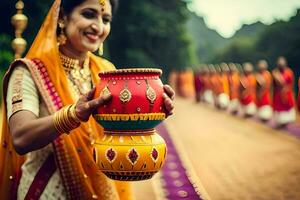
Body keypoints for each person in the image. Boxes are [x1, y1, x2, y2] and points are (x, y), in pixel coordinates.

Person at [0, 0, 175, 199]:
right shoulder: (29, 71)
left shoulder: (106, 72)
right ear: (63, 17)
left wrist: (152, 108)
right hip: (47, 191)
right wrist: (73, 114)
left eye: (106, 19)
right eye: (89, 14)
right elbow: (21, 137)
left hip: (102, 189)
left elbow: (122, 129)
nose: (99, 26)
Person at [272, 56, 295, 127]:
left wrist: (285, 90)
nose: (280, 66)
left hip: (286, 93)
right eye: (279, 64)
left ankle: (285, 123)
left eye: (282, 64)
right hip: (278, 94)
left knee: (286, 109)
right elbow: (274, 84)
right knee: (278, 109)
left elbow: (288, 83)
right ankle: (279, 123)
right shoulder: (275, 72)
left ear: (285, 64)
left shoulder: (289, 72)